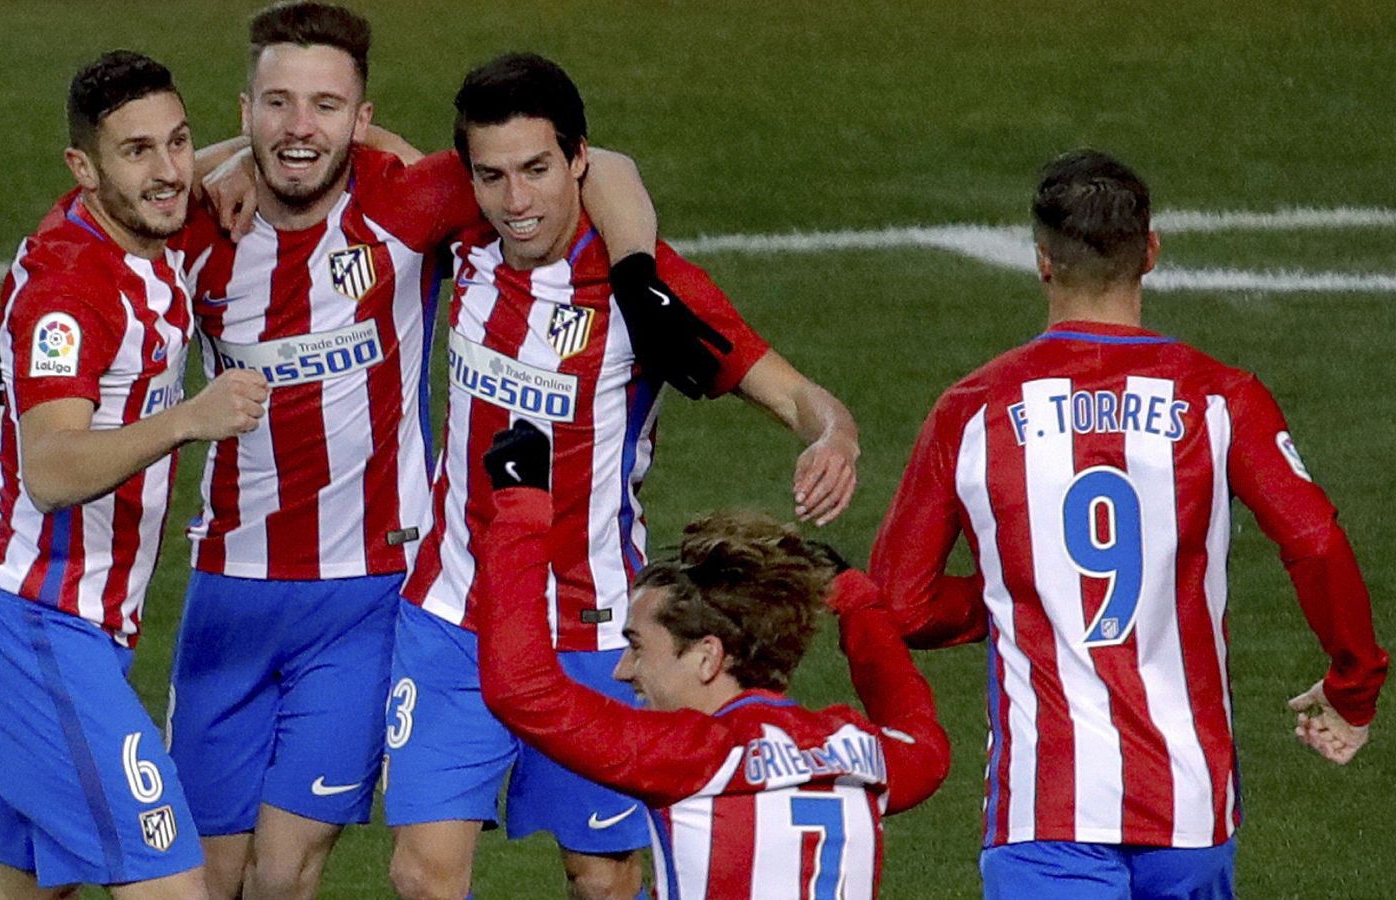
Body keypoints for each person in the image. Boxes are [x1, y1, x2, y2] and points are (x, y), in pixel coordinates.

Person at [163, 5, 666, 899]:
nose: (298, 126)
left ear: (361, 120)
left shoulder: (408, 200)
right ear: (245, 109)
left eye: (325, 104)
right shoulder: (202, 228)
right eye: (277, 103)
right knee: (203, 878)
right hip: (229, 588)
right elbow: (105, 218)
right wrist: (218, 167)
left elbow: (603, 163)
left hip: (367, 590)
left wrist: (634, 270)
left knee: (285, 876)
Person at [385, 53, 860, 900]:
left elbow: (797, 396)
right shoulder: (463, 228)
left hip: (597, 630)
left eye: (537, 170)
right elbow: (332, 153)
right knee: (423, 876)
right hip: (454, 610)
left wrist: (833, 438)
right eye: (491, 177)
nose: (515, 201)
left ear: (578, 161)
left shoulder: (648, 290)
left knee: (603, 878)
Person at [867, 149, 1389, 899]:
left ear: (1043, 262)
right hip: (1189, 809)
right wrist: (1355, 681)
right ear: (1150, 251)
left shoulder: (972, 410)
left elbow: (902, 601)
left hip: (1045, 812)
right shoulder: (1221, 398)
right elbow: (1314, 542)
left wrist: (1023, 594)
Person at [0, 51, 268, 900]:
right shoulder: (72, 288)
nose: (169, 173)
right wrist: (189, 418)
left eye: (179, 142)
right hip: (35, 625)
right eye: (137, 152)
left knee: (23, 888)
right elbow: (49, 470)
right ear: (84, 169)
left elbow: (270, 149)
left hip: (60, 625)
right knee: (169, 878)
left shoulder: (147, 225)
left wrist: (237, 156)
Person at [471, 421, 950, 898]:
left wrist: (522, 509)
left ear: (707, 657)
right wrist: (858, 605)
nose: (623, 670)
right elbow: (922, 737)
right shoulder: (864, 752)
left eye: (638, 646)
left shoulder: (691, 756)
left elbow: (521, 690)